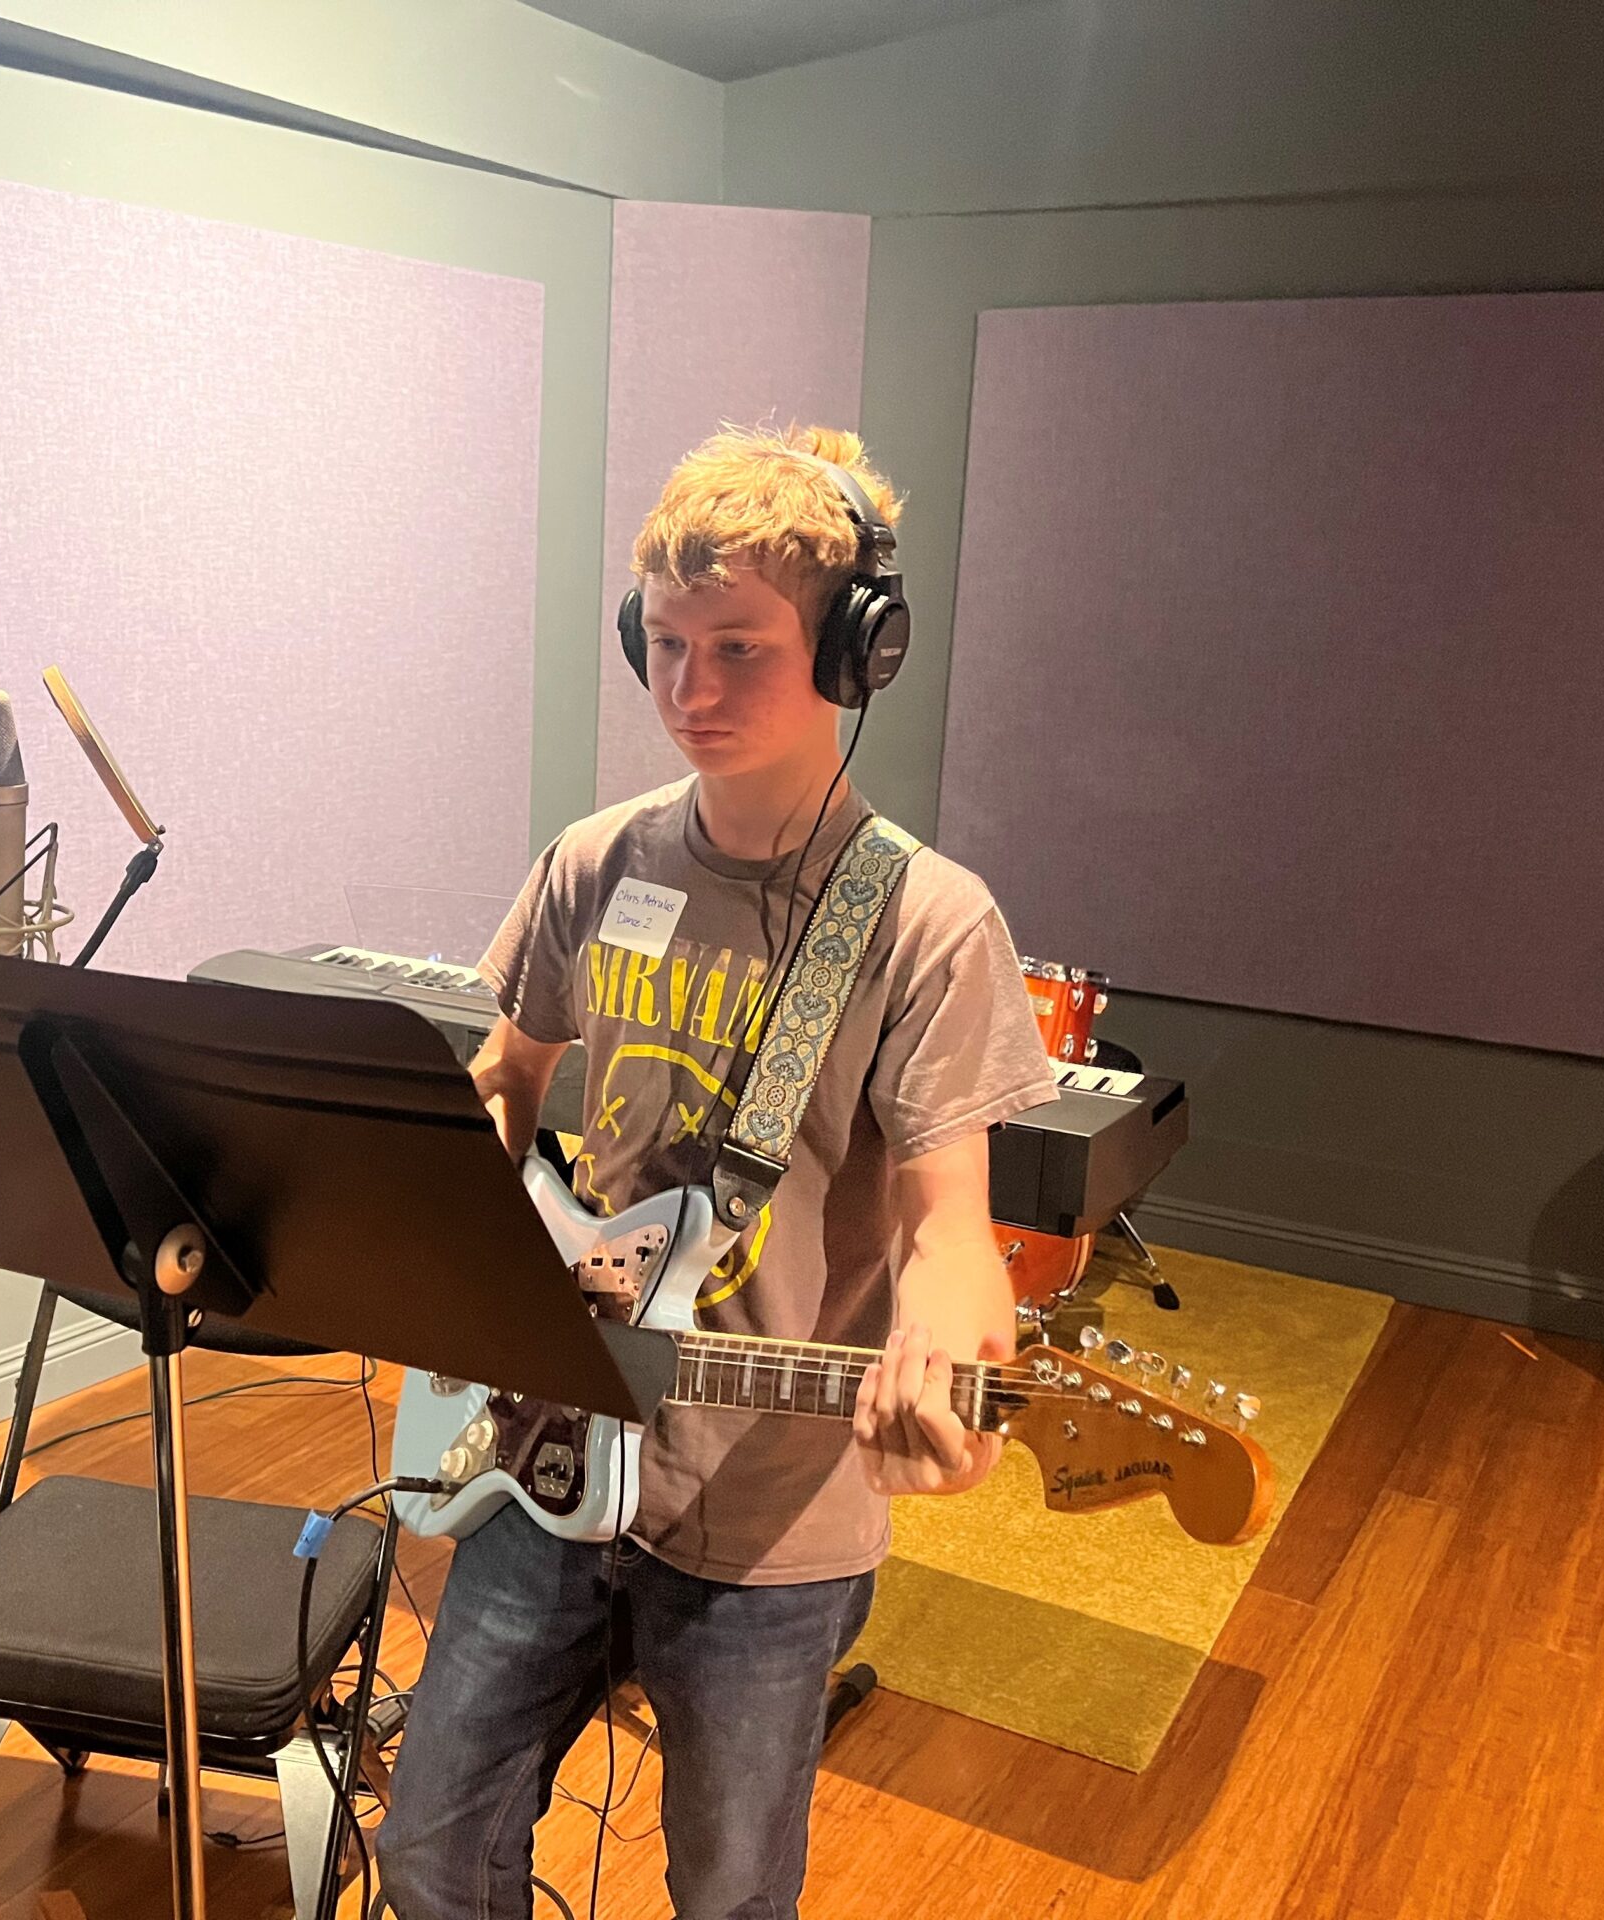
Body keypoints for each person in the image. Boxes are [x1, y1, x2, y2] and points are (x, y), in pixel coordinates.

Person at [374, 424, 1058, 1919]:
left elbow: (951, 1225)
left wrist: (947, 1343)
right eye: (668, 646)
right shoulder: (597, 861)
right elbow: (510, 1077)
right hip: (537, 1452)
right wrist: (454, 1254)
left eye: (741, 648)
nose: (692, 691)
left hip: (769, 1518)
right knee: (429, 1847)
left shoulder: (926, 922)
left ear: (855, 654)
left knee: (730, 1896)